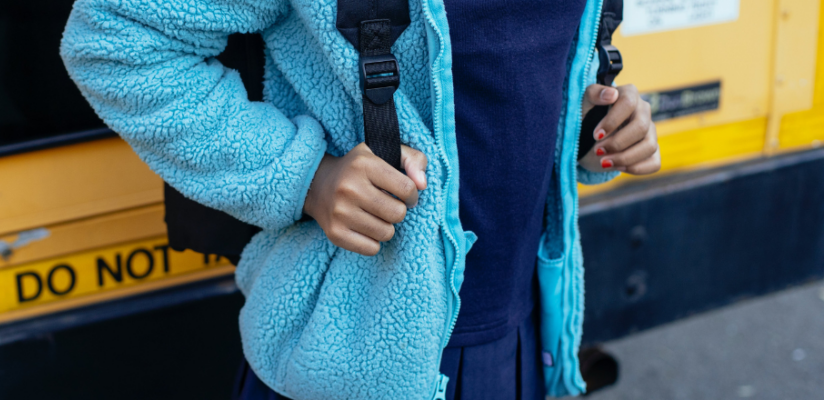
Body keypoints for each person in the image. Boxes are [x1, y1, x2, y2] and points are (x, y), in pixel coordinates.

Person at [60, 0, 659, 398]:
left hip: (526, 337)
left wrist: (589, 132)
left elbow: (515, 66)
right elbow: (114, 38)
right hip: (354, 357)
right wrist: (304, 177)